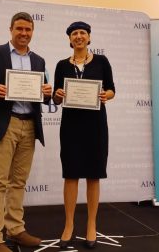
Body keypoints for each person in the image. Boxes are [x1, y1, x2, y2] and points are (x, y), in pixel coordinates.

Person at [0, 12, 52, 252]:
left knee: (19, 182)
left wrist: (47, 93)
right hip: (5, 124)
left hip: (29, 125)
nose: (24, 33)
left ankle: (15, 229)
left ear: (32, 31)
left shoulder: (39, 60)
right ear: (11, 29)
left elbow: (43, 97)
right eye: (19, 29)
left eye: (28, 29)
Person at [53, 21, 115, 249]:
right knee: (70, 174)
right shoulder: (61, 65)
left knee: (93, 174)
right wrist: (58, 94)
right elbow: (57, 98)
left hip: (95, 125)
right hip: (71, 126)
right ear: (69, 39)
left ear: (89, 38)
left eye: (83, 33)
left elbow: (111, 89)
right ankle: (68, 225)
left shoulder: (101, 61)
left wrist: (105, 95)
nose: (79, 36)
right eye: (74, 34)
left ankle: (91, 224)